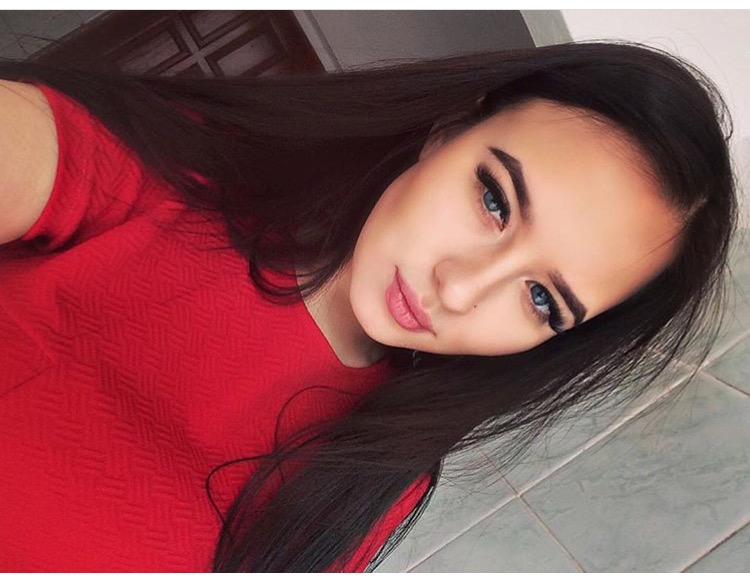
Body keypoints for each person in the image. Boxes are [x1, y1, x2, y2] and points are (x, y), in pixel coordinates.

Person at [0, 40, 738, 572]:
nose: (460, 289)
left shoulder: (379, 472)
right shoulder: (158, 180)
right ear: (447, 133)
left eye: (543, 299)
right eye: (494, 199)